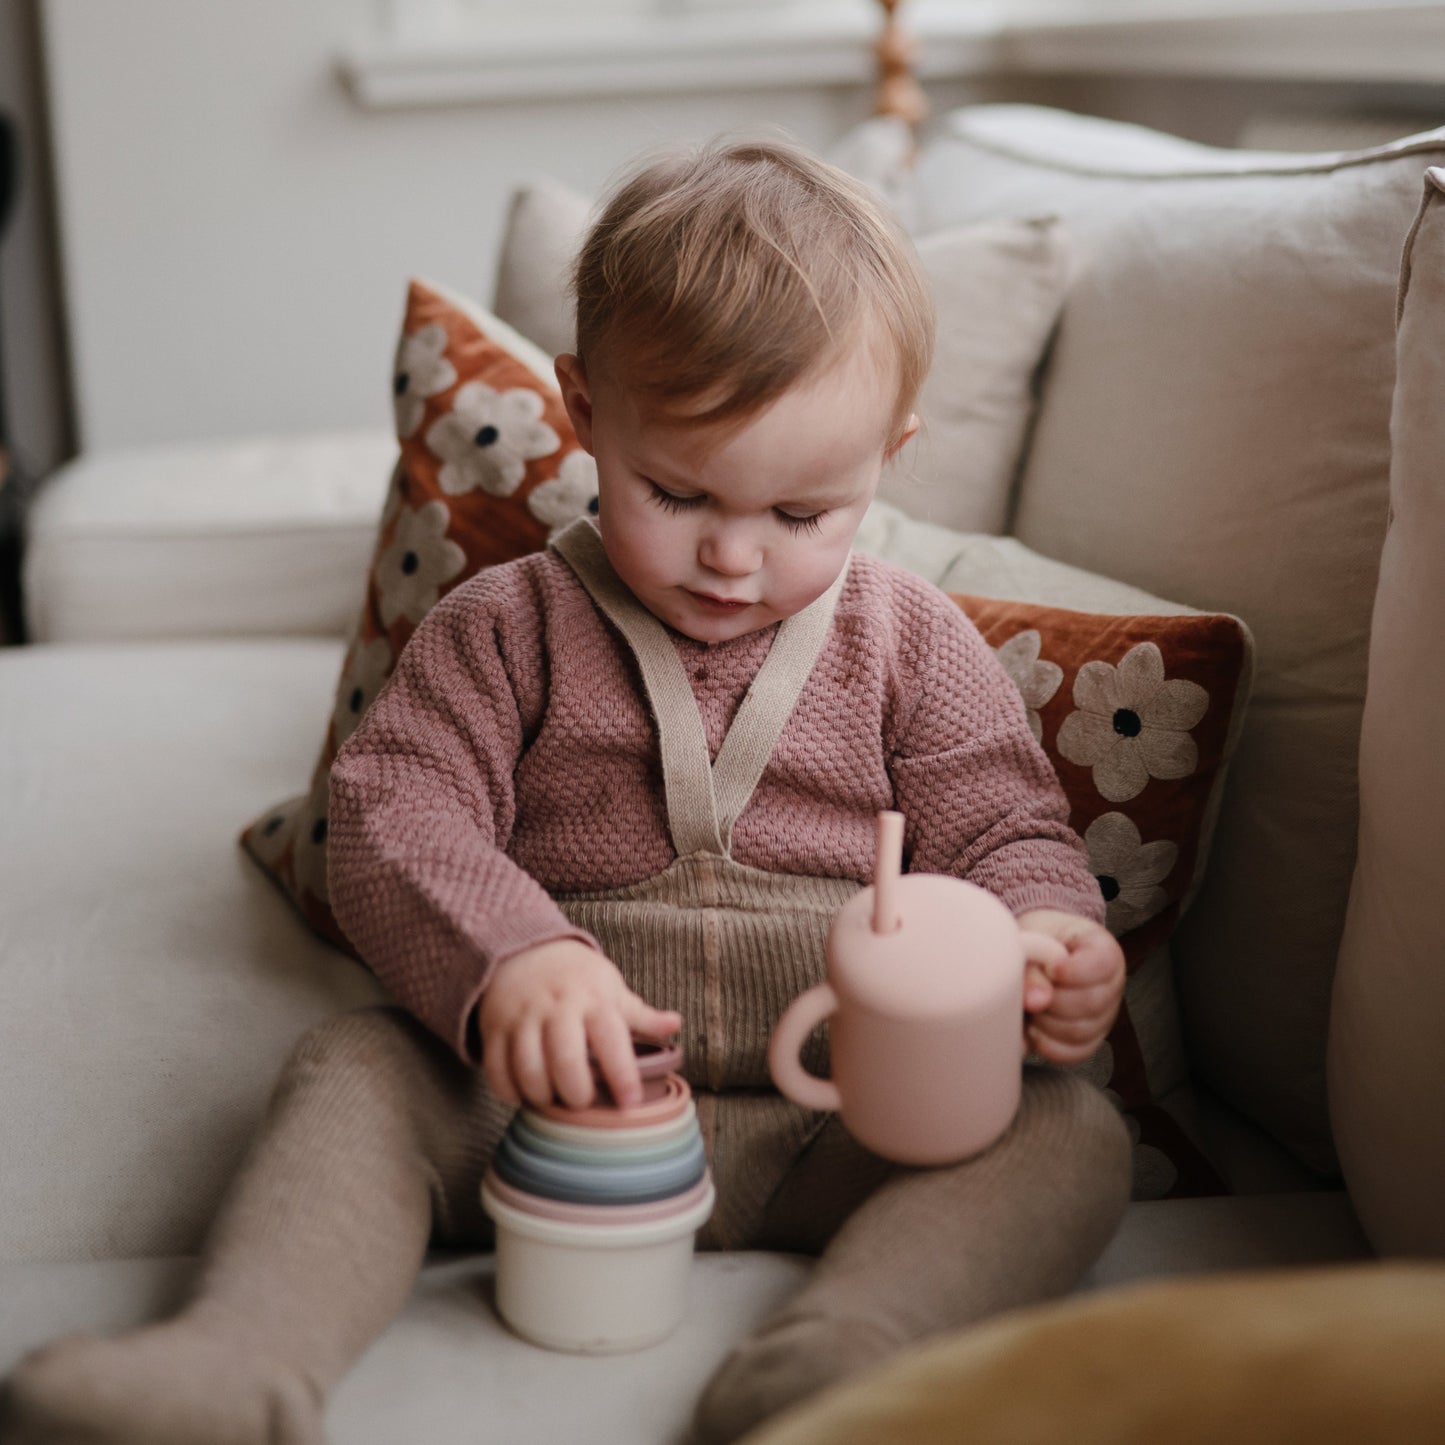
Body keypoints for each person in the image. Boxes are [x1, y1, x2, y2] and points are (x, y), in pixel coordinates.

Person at [0, 137, 1130, 1445]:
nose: (730, 554)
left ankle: (846, 1365)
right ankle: (232, 1365)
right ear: (583, 411)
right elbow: (390, 811)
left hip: (845, 1099)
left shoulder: (914, 641)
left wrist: (1049, 937)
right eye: (677, 491)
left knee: (1061, 1129)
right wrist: (510, 958)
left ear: (892, 452)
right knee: (358, 1067)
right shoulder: (506, 626)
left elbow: (1005, 825)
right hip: (556, 1102)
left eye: (802, 513)